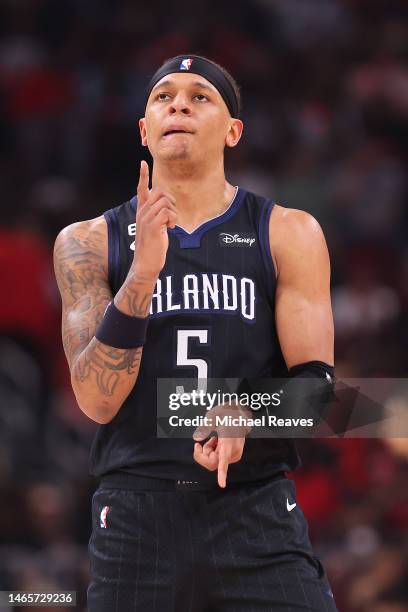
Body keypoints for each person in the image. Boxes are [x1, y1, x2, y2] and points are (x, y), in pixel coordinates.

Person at [54, 55, 337, 611]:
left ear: (233, 131)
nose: (178, 103)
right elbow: (96, 400)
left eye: (200, 95)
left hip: (253, 510)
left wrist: (246, 411)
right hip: (135, 516)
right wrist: (140, 277)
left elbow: (320, 394)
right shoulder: (87, 241)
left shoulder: (287, 231)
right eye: (163, 96)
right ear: (144, 129)